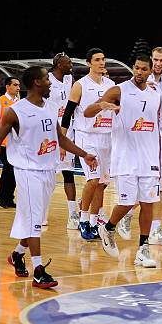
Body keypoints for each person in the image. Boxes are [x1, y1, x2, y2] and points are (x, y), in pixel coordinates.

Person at [0, 66, 97, 287]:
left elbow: (60, 138)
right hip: (27, 172)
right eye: (47, 79)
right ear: (37, 82)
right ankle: (38, 270)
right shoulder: (15, 111)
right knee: (34, 221)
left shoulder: (50, 107)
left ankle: (18, 254)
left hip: (48, 170)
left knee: (33, 219)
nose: (50, 83)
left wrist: (84, 154)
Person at [84, 55, 162, 266]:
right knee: (127, 202)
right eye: (137, 68)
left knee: (149, 203)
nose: (139, 72)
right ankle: (109, 227)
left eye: (144, 69)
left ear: (151, 71)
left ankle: (143, 249)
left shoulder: (157, 94)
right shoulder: (119, 90)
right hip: (126, 158)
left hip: (149, 157)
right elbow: (87, 112)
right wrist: (102, 105)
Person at [116, 47, 162, 246]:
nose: (158, 64)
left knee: (158, 188)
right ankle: (127, 217)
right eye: (155, 60)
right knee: (145, 187)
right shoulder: (137, 84)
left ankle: (154, 230)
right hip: (140, 139)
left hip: (160, 138)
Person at [61, 48, 115, 240]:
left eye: (103, 59)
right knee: (93, 180)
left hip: (107, 137)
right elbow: (67, 114)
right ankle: (83, 220)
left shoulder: (111, 85)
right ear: (88, 63)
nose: (101, 63)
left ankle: (94, 221)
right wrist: (63, 142)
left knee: (101, 184)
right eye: (97, 60)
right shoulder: (80, 85)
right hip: (87, 138)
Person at [47, 52, 79, 229]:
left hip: (68, 130)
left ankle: (72, 214)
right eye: (68, 62)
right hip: (50, 132)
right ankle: (41, 213)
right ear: (59, 64)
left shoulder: (69, 80)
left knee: (68, 172)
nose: (71, 64)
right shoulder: (47, 80)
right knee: (48, 176)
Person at [0, 76, 20, 208]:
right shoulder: (0, 102)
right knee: (9, 168)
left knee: (13, 170)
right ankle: (2, 196)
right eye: (15, 85)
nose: (18, 87)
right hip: (4, 142)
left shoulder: (19, 102)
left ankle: (8, 197)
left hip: (16, 143)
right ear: (8, 87)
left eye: (19, 85)